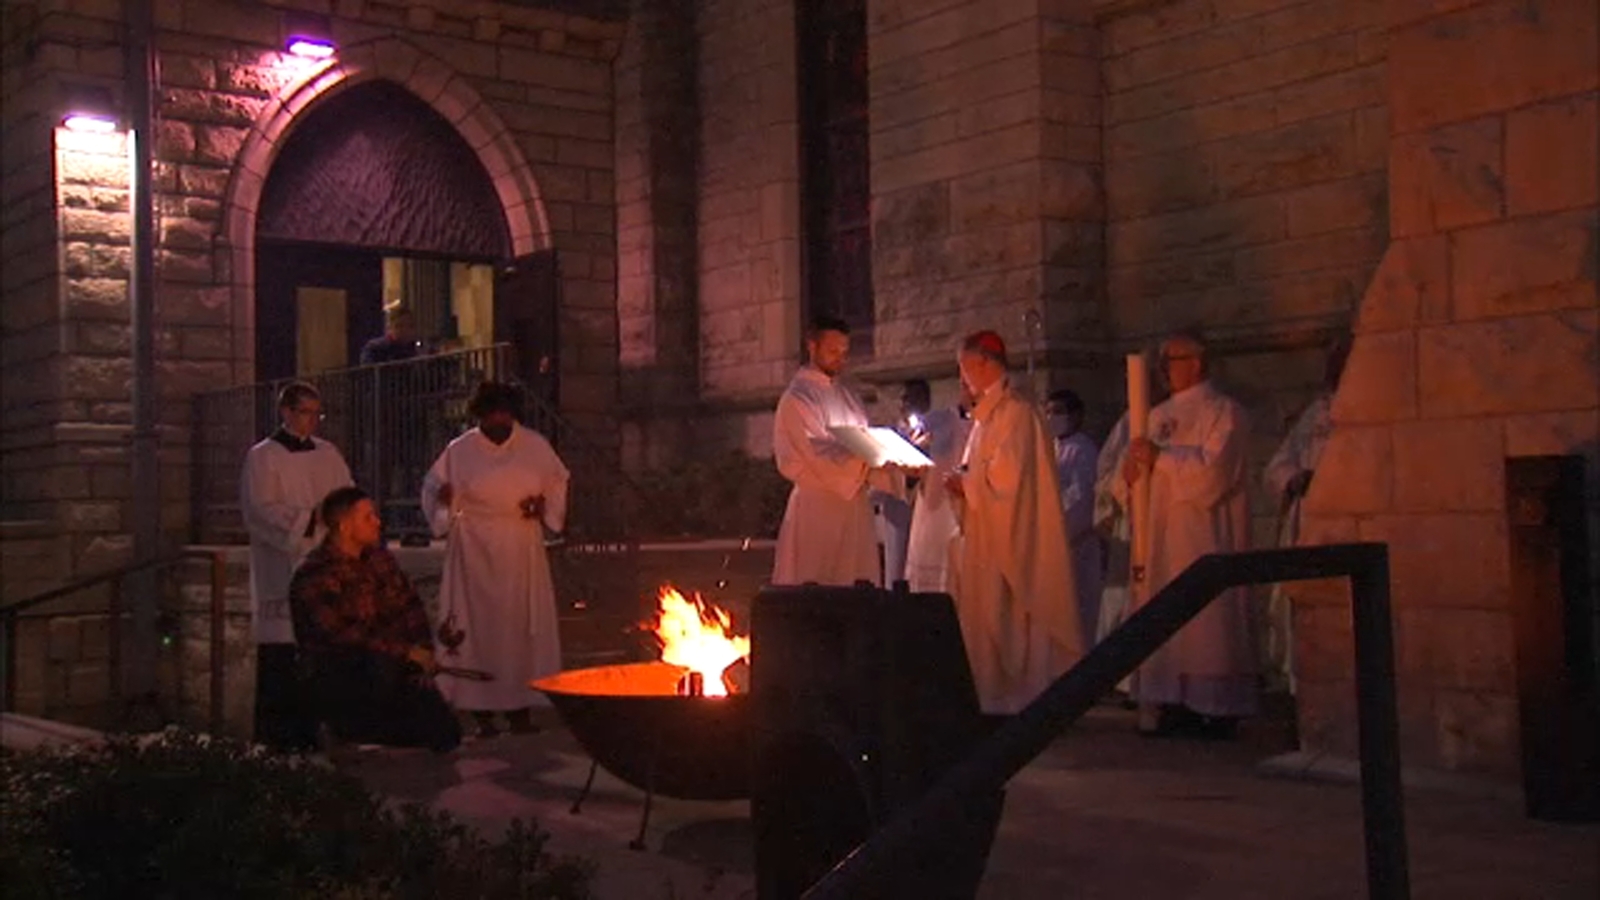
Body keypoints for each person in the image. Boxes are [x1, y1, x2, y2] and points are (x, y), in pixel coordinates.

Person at [1116, 330, 1257, 739]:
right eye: (1161, 362)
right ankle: (1169, 701)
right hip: (1160, 536)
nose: (1164, 369)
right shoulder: (1154, 416)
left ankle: (1215, 707)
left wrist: (1161, 458)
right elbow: (1131, 479)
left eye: (1172, 360)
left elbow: (1214, 474)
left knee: (1206, 622)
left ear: (1197, 362)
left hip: (1201, 535)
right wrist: (1128, 478)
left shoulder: (1224, 412)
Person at [422, 381, 570, 738]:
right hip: (473, 545)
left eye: (505, 412)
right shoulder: (460, 450)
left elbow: (557, 480)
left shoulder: (534, 446)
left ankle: (520, 708)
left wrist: (544, 507)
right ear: (481, 414)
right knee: (476, 628)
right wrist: (444, 499)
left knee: (518, 626)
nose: (500, 419)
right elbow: (433, 485)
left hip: (519, 543)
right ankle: (481, 711)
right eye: (493, 413)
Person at [946, 331, 1083, 716]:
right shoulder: (987, 415)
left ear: (985, 364)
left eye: (965, 368)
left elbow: (1008, 482)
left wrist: (965, 482)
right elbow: (981, 471)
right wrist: (963, 481)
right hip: (985, 537)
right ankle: (990, 697)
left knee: (1011, 615)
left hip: (1010, 539)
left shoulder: (1016, 413)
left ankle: (1017, 699)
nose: (962, 378)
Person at [289, 487, 462, 754]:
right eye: (368, 517)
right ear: (345, 526)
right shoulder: (316, 573)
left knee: (444, 731)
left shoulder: (379, 560)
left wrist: (423, 651)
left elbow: (410, 607)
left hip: (391, 665)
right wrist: (405, 651)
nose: (378, 523)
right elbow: (341, 633)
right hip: (344, 673)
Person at [240, 382, 353, 751]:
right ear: (286, 412)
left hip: (326, 563)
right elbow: (260, 509)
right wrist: (309, 519)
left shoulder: (329, 454)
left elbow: (348, 496)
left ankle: (325, 732)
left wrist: (341, 522)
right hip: (284, 565)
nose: (313, 422)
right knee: (284, 655)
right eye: (306, 412)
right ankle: (281, 740)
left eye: (317, 414)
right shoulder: (262, 456)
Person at [771, 316, 903, 586]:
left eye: (844, 352)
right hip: (817, 509)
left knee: (855, 583)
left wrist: (895, 467)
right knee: (815, 584)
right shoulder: (798, 398)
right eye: (833, 351)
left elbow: (862, 444)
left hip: (854, 509)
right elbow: (816, 453)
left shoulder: (848, 397)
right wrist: (865, 459)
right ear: (812, 346)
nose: (840, 359)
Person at [1261, 335, 1351, 693]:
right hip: (1307, 518)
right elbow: (1278, 465)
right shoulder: (1317, 413)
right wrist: (1294, 478)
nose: (1334, 369)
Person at [1046, 389, 1103, 648]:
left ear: (1076, 415)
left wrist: (1058, 531)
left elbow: (1082, 499)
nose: (1051, 417)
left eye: (1058, 412)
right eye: (1047, 411)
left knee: (1079, 613)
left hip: (1075, 544)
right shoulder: (1051, 448)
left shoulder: (1083, 450)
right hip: (1053, 542)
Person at [904, 379, 972, 593]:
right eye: (966, 385)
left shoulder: (990, 424)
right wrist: (914, 453)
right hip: (935, 510)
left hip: (970, 513)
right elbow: (911, 470)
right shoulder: (936, 421)